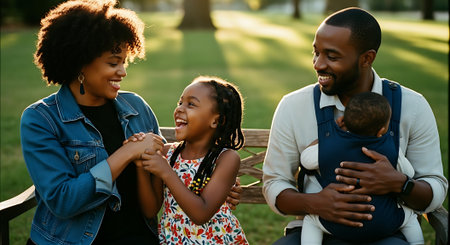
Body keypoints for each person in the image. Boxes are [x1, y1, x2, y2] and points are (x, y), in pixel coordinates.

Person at [20, 1, 240, 244]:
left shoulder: (136, 108)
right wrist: (126, 153)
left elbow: (165, 167)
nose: (123, 72)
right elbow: (63, 201)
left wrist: (215, 181)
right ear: (80, 62)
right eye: (113, 63)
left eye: (124, 61)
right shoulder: (41, 119)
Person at [262, 7, 448, 245]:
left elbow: (435, 185)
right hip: (318, 231)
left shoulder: (413, 106)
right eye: (316, 52)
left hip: (386, 231)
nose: (318, 64)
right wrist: (316, 203)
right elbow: (275, 182)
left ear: (366, 58)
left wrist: (400, 184)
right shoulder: (294, 106)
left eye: (332, 56)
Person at [125, 76, 249, 244]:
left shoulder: (226, 158)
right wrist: (141, 166)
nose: (180, 109)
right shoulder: (169, 153)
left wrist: (166, 172)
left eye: (191, 104)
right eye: (180, 102)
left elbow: (201, 214)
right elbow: (150, 209)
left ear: (216, 120)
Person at [300, 92, 423, 244]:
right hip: (383, 221)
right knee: (410, 216)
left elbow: (305, 160)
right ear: (381, 130)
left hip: (337, 223)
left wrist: (326, 140)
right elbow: (409, 173)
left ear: (345, 121)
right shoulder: (390, 149)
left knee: (311, 221)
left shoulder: (332, 146)